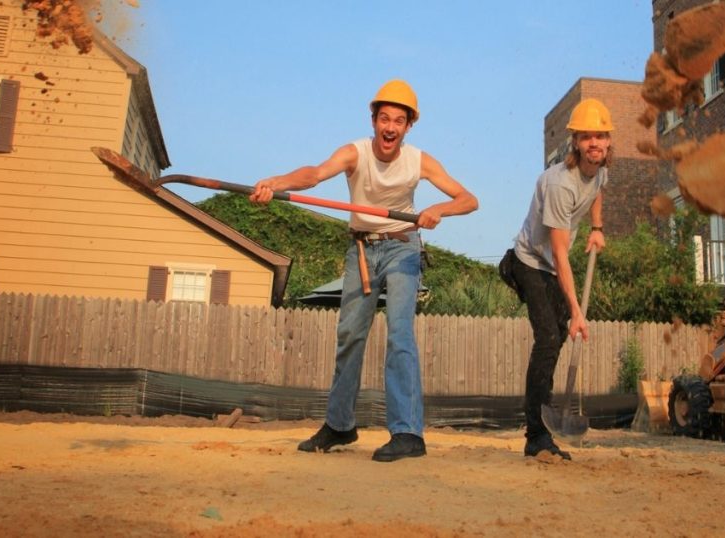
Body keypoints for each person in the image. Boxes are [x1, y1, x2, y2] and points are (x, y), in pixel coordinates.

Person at [250, 80, 478, 462]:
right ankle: (340, 426)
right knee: (350, 336)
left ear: (408, 127)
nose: (390, 127)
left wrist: (439, 209)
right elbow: (315, 174)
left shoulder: (419, 161)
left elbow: (469, 199)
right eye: (384, 118)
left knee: (400, 333)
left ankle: (408, 434)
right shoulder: (355, 153)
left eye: (399, 121)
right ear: (373, 120)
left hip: (403, 247)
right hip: (361, 250)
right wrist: (275, 182)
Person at [500, 98, 611, 460]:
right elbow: (561, 255)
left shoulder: (600, 170)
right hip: (528, 261)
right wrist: (577, 311)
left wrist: (596, 228)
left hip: (549, 265)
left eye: (600, 136)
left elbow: (597, 192)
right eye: (586, 137)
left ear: (608, 142)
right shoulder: (560, 184)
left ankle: (543, 427)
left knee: (555, 337)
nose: (594, 143)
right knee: (549, 337)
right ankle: (535, 435)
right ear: (575, 143)